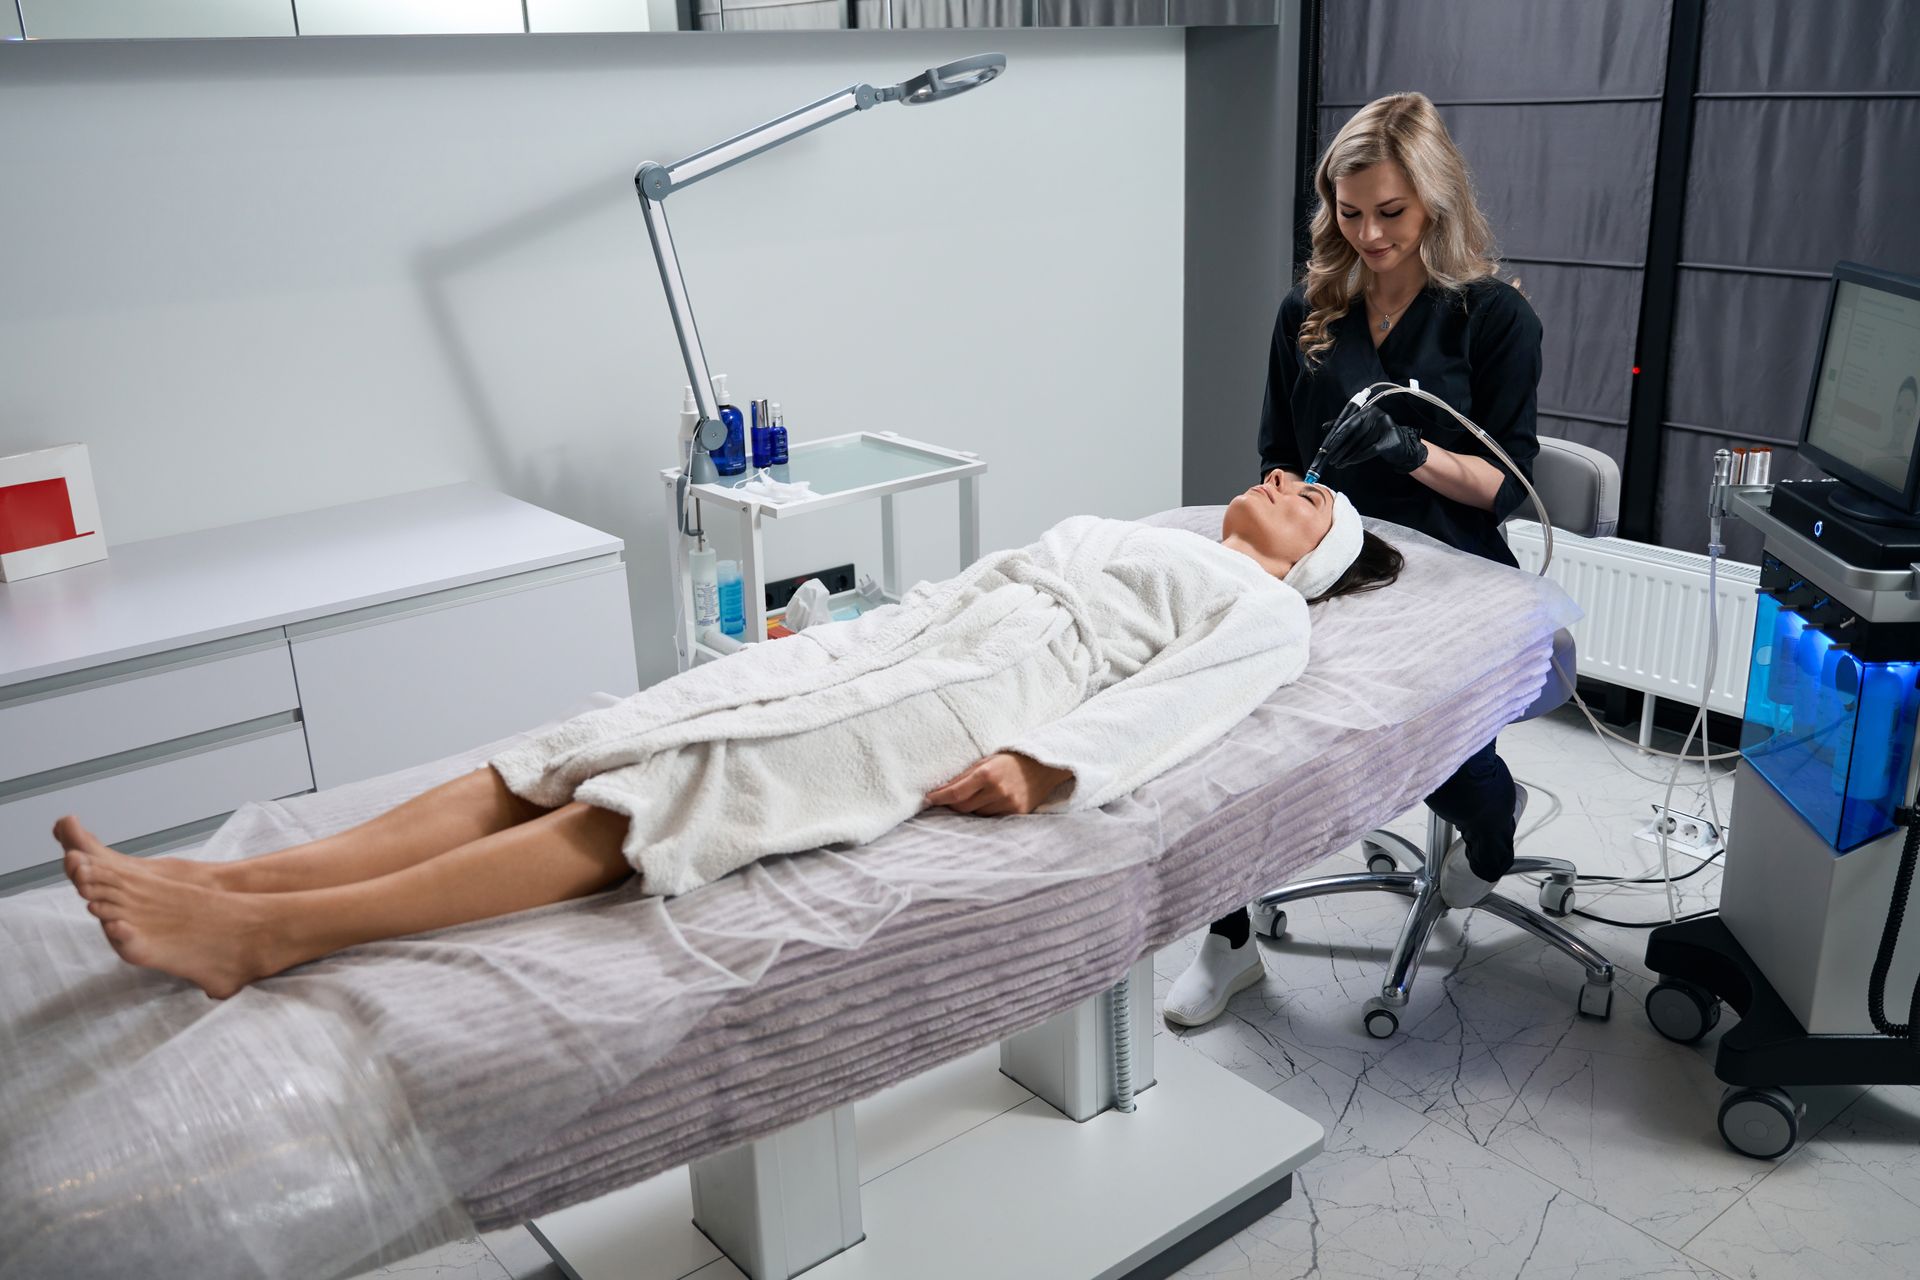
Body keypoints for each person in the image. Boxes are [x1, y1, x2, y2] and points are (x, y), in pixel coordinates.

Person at [57, 475, 1403, 1000]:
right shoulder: (1139, 530)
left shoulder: (1264, 614)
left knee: (676, 789)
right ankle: (237, 882)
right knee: (586, 739)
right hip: (903, 645)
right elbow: (978, 578)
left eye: (1312, 498)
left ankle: (276, 936)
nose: (1284, 479)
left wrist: (1049, 767)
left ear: (1317, 556)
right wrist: (840, 634)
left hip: (983, 698)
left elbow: (1172, 708)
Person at [1164, 91, 1543, 1029]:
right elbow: (1274, 452)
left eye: (1392, 214)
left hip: (1452, 563)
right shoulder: (1311, 313)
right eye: (1349, 211)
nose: (1369, 235)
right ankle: (1228, 941)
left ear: (1435, 203)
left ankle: (1490, 834)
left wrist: (1412, 454)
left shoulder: (1490, 319)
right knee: (1228, 732)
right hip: (1338, 555)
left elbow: (1507, 488)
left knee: (1443, 755)